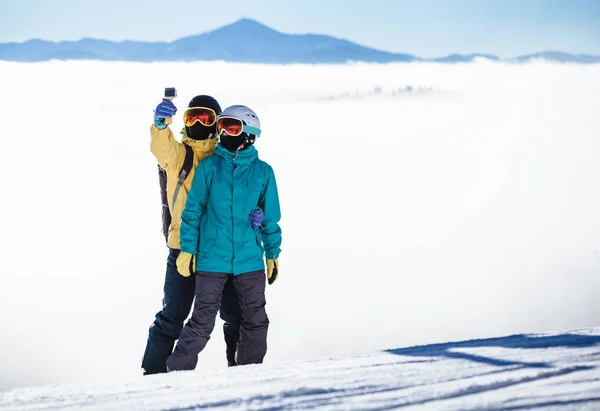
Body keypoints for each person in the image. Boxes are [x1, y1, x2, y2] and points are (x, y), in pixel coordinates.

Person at [166, 105, 282, 371]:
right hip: (212, 258)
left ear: (249, 133)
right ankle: (175, 373)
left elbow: (270, 218)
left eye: (232, 127)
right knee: (202, 321)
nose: (225, 133)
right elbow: (193, 211)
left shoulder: (263, 172)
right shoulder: (209, 167)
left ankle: (247, 373)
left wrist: (272, 253)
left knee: (255, 319)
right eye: (222, 127)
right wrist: (188, 250)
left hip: (249, 260)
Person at [142, 96, 245, 374]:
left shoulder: (226, 157)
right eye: (192, 118)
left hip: (219, 253)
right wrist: (160, 125)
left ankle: (243, 373)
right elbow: (161, 147)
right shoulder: (179, 156)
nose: (198, 123)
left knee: (236, 315)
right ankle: (152, 376)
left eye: (206, 118)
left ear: (217, 123)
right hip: (181, 252)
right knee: (172, 317)